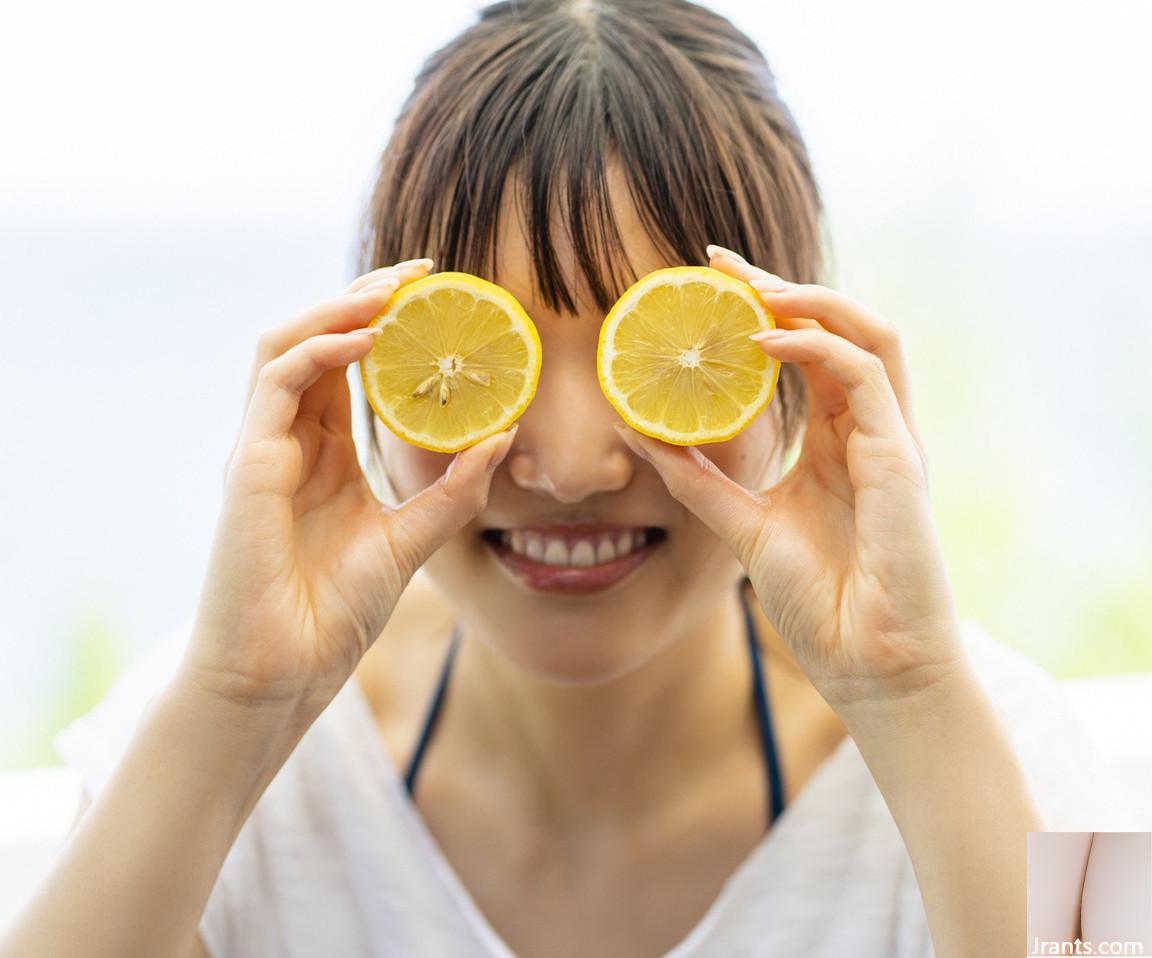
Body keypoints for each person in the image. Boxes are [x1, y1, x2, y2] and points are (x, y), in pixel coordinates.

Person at [1, 1, 1128, 956]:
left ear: (793, 372)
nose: (576, 466)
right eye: (496, 358)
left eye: (662, 353)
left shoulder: (1003, 739)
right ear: (377, 361)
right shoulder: (208, 745)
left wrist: (911, 692)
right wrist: (235, 704)